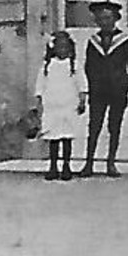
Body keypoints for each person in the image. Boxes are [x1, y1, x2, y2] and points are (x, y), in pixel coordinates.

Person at [82, 0, 128, 178]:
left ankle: (111, 163)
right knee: (94, 127)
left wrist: (124, 85)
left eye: (108, 18)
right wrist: (92, 85)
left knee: (114, 126)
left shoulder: (124, 41)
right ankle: (89, 163)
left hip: (117, 92)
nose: (104, 22)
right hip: (98, 92)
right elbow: (88, 66)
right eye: (100, 18)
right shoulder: (93, 42)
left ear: (115, 19)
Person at [35, 30, 87, 181]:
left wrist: (82, 100)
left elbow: (81, 84)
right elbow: (40, 85)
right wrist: (39, 102)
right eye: (59, 47)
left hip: (68, 105)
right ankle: (52, 166)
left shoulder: (74, 65)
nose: (62, 51)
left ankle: (66, 166)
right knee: (53, 137)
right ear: (53, 49)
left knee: (66, 137)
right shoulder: (47, 66)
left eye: (65, 48)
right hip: (52, 106)